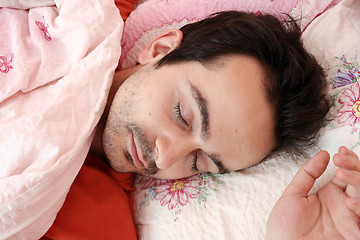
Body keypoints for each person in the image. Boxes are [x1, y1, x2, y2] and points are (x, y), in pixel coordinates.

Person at [45, 10, 360, 239]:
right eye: (183, 114)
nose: (165, 158)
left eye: (198, 161)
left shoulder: (97, 224)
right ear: (161, 49)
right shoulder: (78, 18)